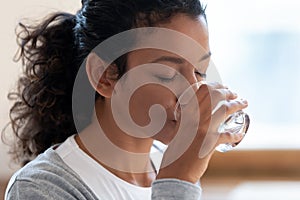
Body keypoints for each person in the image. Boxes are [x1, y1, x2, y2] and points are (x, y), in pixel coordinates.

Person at [3, 0, 248, 199]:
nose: (193, 91)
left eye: (200, 70)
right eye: (167, 74)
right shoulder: (41, 188)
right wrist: (178, 182)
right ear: (105, 76)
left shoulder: (166, 164)